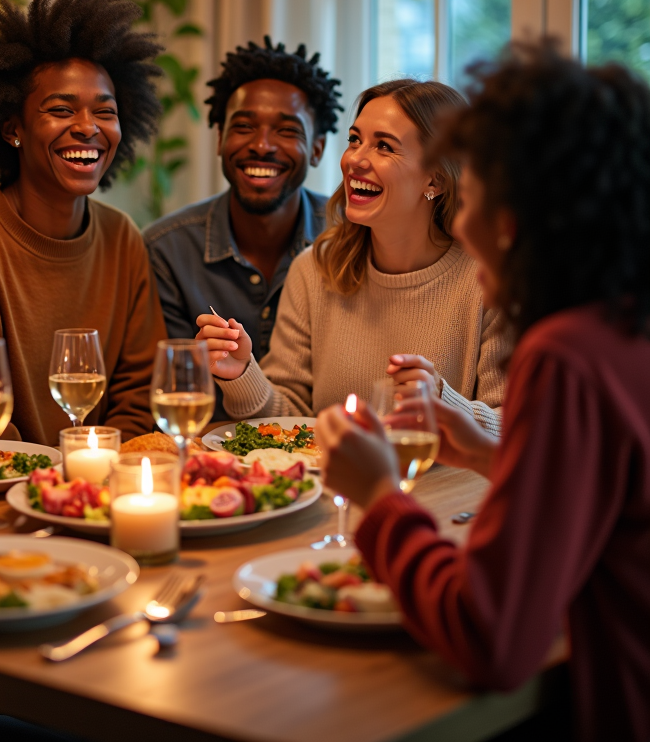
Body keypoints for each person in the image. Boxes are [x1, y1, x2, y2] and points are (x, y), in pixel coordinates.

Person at [317, 44, 650, 742]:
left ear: (518, 218)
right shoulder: (623, 327)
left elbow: (492, 640)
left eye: (476, 197)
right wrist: (489, 457)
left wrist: (379, 498)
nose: (462, 225)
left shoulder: (564, 357)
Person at [197, 79, 508, 432]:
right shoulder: (314, 269)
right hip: (334, 486)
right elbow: (289, 420)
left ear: (434, 180)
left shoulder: (491, 280)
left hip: (446, 487)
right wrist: (240, 373)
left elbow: (515, 427)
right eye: (355, 140)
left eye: (384, 147)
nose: (355, 159)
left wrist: (442, 401)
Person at [0, 0, 166, 446]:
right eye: (61, 110)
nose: (87, 128)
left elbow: (141, 393)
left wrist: (92, 476)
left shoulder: (122, 239)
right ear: (13, 128)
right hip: (2, 491)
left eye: (105, 111)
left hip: (102, 484)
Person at [143, 39, 341, 391]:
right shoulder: (166, 251)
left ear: (317, 149)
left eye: (286, 130)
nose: (262, 145)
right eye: (244, 126)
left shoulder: (352, 239)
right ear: (220, 138)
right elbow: (169, 391)